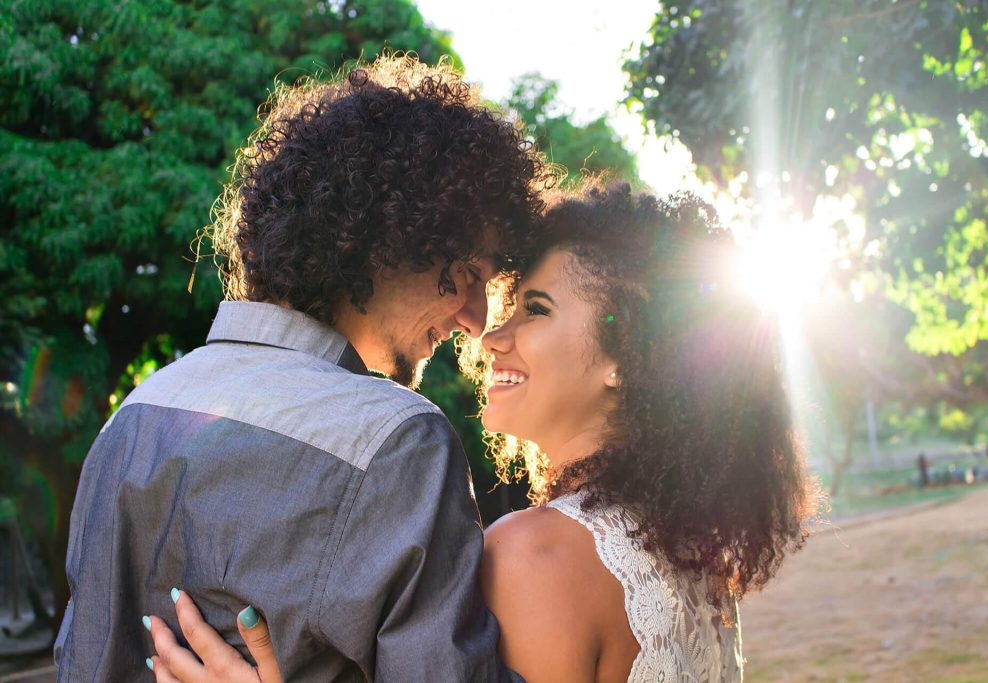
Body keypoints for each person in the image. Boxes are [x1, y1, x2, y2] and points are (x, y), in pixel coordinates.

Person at [143, 183, 817, 682]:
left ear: (627, 357)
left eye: (538, 309)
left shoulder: (532, 557)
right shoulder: (685, 553)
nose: (493, 335)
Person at [56, 53, 549, 682]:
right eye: (470, 276)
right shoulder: (398, 441)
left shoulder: (132, 415)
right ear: (390, 235)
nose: (476, 322)